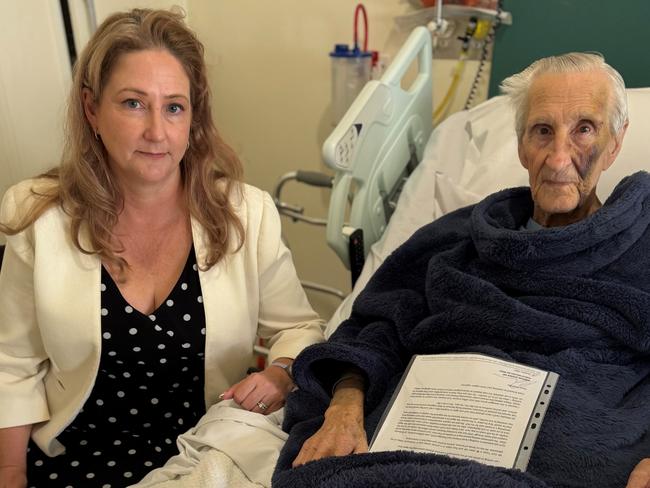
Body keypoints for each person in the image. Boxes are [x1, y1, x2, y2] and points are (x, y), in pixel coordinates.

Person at [272, 53, 650, 488]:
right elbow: (372, 329)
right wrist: (344, 406)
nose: (559, 156)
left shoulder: (641, 244)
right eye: (542, 131)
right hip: (413, 445)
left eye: (584, 129)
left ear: (616, 142)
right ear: (521, 144)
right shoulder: (455, 240)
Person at [0, 8, 323, 488]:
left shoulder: (244, 214)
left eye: (174, 107)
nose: (157, 131)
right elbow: (12, 364)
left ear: (193, 117)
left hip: (200, 456)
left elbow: (299, 327)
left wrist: (280, 373)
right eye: (133, 104)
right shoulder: (38, 216)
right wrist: (10, 474)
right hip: (76, 456)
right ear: (91, 109)